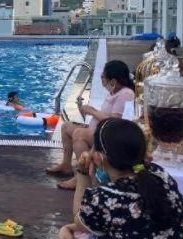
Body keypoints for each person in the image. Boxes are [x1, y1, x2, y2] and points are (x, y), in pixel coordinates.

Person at [24, 119, 183, 239]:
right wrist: (69, 228)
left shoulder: (106, 198)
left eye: (93, 147)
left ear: (99, 158)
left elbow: (80, 222)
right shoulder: (160, 176)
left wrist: (83, 172)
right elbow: (114, 223)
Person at [47, 60, 135, 190]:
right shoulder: (114, 92)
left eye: (103, 76)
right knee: (66, 127)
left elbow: (115, 121)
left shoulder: (125, 94)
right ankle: (66, 165)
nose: (101, 79)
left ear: (113, 81)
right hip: (98, 130)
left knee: (79, 134)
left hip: (110, 136)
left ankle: (82, 177)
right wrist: (92, 111)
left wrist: (91, 111)